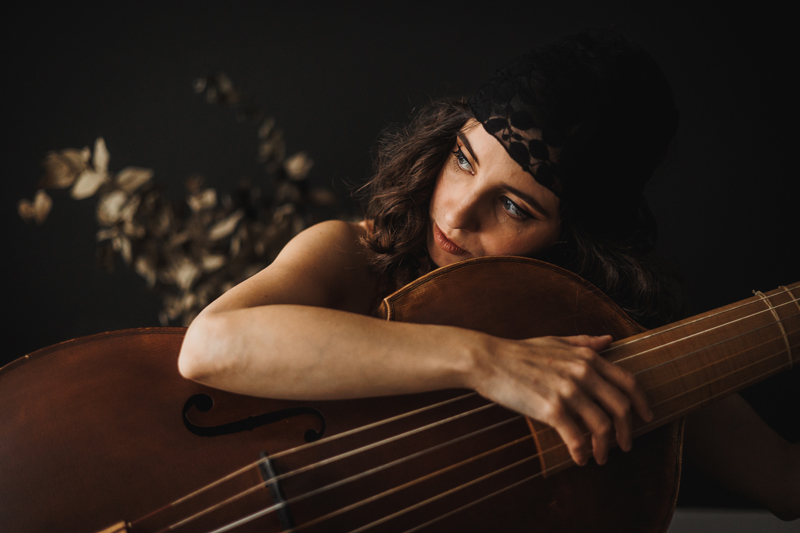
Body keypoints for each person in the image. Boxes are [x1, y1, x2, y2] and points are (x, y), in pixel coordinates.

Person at [178, 29, 799, 520]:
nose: (453, 212)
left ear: (580, 241)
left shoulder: (615, 356)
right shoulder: (352, 255)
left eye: (513, 206)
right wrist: (485, 359)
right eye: (464, 160)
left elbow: (787, 484)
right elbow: (210, 345)